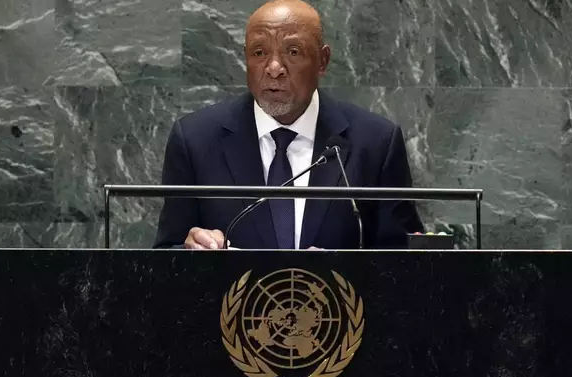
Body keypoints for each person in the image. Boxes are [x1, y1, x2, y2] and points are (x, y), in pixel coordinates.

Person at [153, 0, 424, 250]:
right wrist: (190, 251)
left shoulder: (375, 143)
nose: (273, 68)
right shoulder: (195, 140)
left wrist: (345, 271)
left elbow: (403, 262)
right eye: (259, 52)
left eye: (293, 52)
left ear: (323, 61)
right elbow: (162, 260)